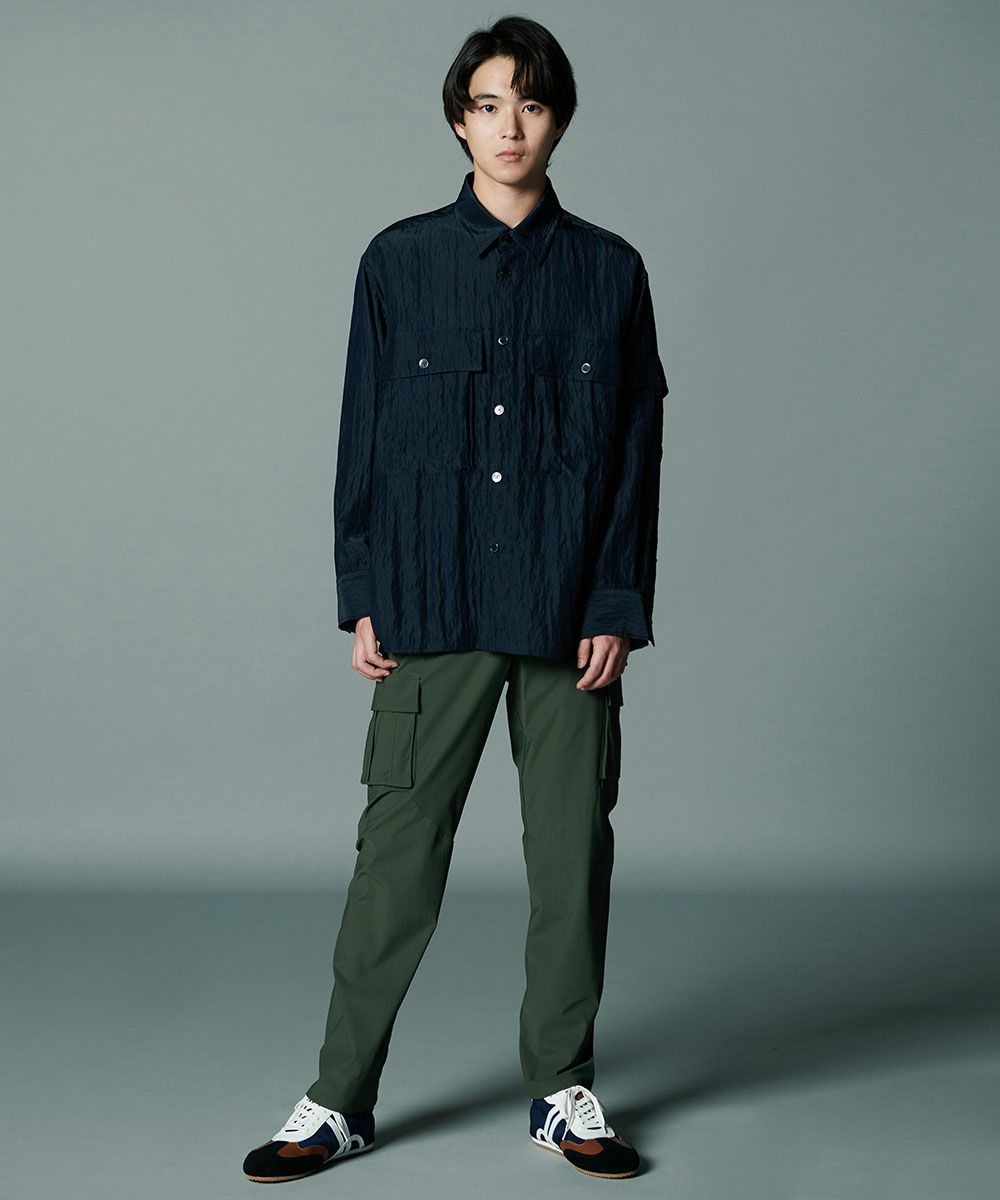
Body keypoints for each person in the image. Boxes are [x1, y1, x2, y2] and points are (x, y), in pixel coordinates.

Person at [243, 13, 667, 1184]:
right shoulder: (398, 262)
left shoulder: (610, 273)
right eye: (488, 104)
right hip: (430, 603)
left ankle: (562, 1088)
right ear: (457, 120)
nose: (509, 126)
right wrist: (363, 590)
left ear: (557, 119)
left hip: (568, 616)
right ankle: (339, 1100)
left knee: (570, 862)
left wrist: (616, 598)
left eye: (530, 103)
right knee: (395, 862)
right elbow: (363, 436)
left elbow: (636, 454)